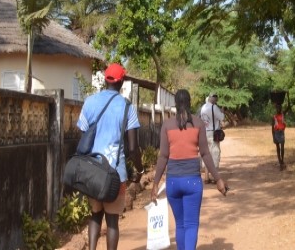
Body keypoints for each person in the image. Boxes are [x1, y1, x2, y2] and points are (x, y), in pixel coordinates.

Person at [77, 63, 144, 250]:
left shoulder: (89, 102)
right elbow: (133, 147)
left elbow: (82, 134)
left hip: (92, 170)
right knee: (112, 221)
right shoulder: (127, 107)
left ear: (106, 79)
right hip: (115, 173)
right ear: (122, 81)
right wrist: (139, 169)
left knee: (95, 214)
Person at [152, 89, 228, 250]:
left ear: (175, 104)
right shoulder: (198, 124)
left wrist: (155, 184)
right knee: (191, 224)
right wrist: (218, 179)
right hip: (192, 182)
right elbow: (206, 154)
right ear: (190, 103)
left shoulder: (167, 125)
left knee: (180, 225)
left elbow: (163, 156)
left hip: (172, 183)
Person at [199, 92, 225, 184]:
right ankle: (215, 178)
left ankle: (206, 177)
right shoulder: (214, 108)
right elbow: (221, 118)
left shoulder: (203, 108)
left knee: (206, 155)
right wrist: (222, 111)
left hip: (204, 133)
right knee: (215, 154)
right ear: (214, 98)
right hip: (213, 134)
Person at [271, 102, 286, 170]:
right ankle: (280, 162)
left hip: (281, 132)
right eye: (277, 108)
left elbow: (289, 107)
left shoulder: (283, 115)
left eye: (279, 108)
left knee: (282, 148)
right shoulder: (274, 117)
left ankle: (282, 160)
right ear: (276, 109)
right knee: (278, 148)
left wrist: (288, 96)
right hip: (276, 133)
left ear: (281, 108)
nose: (278, 109)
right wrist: (273, 136)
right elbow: (272, 127)